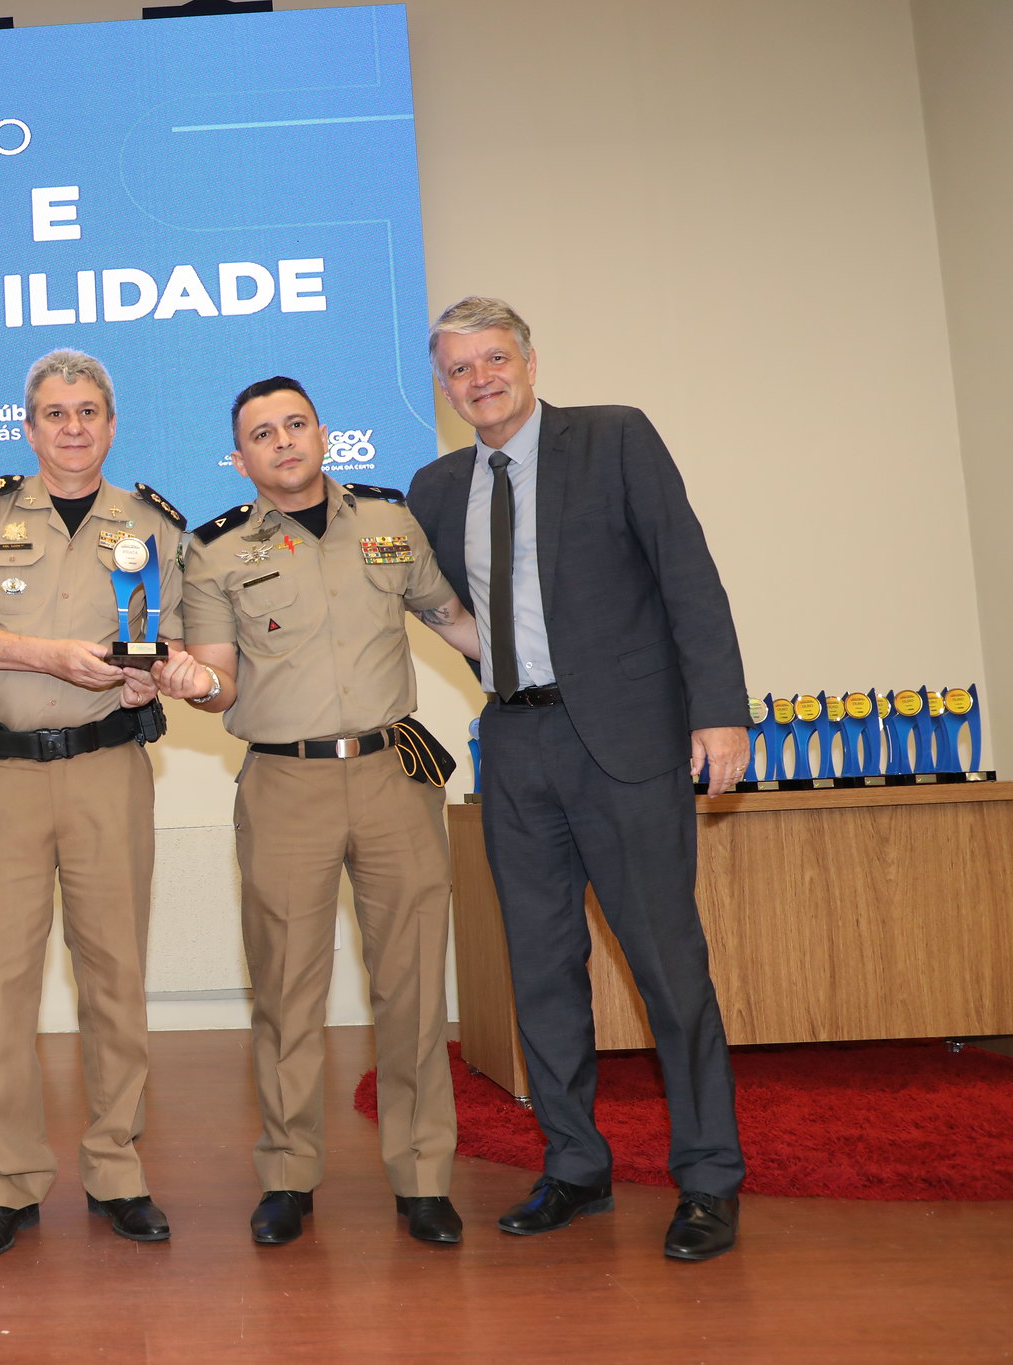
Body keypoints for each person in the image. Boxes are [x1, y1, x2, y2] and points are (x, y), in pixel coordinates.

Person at [406, 297, 748, 1262]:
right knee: (541, 966)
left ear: (529, 361)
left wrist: (720, 711)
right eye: (459, 368)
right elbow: (434, 600)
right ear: (443, 387)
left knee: (667, 966)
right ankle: (575, 1164)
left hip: (628, 744)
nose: (480, 379)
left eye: (494, 359)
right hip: (515, 746)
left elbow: (688, 573)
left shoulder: (613, 438)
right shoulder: (435, 487)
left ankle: (709, 1177)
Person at [150, 377, 480, 1247]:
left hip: (392, 775)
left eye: (295, 424)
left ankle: (423, 1177)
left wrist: (544, 678)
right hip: (284, 784)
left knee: (413, 985)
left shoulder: (389, 520)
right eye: (263, 433)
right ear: (240, 458)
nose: (284, 441)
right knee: (286, 989)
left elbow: (454, 620)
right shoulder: (215, 549)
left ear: (323, 433)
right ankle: (289, 1175)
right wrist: (192, 682)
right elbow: (219, 680)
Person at [0, 349, 183, 1259]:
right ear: (28, 427)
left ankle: (117, 1169)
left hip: (109, 768)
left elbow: (172, 641)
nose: (73, 427)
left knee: (116, 976)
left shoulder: (153, 523)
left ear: (111, 423)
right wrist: (48, 656)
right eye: (56, 413)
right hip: (2, 774)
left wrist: (154, 679)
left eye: (89, 411)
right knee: (0, 981)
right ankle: (5, 1180)